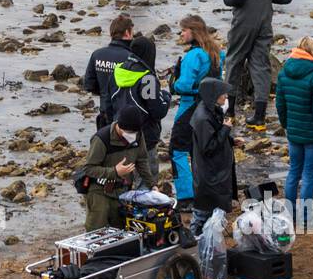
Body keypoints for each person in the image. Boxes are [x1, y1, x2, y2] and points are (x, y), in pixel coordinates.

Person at [222, 0, 293, 131]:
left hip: (244, 21)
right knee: (260, 65)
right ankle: (259, 116)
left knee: (234, 60)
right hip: (264, 20)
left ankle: (230, 112)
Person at [274, 35, 313, 221]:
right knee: (309, 175)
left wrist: (286, 125)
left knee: (293, 172)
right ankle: (306, 216)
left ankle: (289, 213)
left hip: (294, 132)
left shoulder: (284, 73)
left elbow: (280, 104)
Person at [168, 15, 223, 205]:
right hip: (210, 108)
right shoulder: (216, 53)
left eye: (184, 30)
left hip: (190, 106)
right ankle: (205, 191)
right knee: (200, 151)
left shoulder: (193, 55)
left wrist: (173, 82)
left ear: (194, 31)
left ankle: (186, 197)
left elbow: (183, 85)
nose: (181, 34)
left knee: (177, 150)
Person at [81, 106, 154, 230]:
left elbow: (142, 161)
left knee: (122, 229)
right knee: (96, 230)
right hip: (99, 191)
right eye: (129, 132)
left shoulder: (138, 135)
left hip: (122, 191)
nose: (132, 136)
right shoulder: (101, 139)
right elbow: (89, 169)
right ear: (119, 127)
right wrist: (115, 171)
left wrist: (152, 185)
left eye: (134, 132)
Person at [110, 35, 172, 181]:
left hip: (119, 134)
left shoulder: (118, 71)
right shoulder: (147, 78)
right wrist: (166, 97)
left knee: (123, 181)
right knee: (146, 182)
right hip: (144, 138)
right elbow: (158, 111)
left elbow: (108, 101)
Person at [189, 77, 237, 236]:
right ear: (213, 95)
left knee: (210, 213)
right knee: (202, 215)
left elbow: (213, 137)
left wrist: (231, 140)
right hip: (209, 176)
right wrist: (225, 129)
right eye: (223, 94)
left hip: (213, 174)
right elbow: (208, 147)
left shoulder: (210, 110)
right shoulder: (203, 118)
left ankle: (207, 241)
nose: (226, 97)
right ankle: (194, 243)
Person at [83, 14, 135, 129]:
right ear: (127, 33)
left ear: (111, 33)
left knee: (103, 145)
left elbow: (89, 85)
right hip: (125, 117)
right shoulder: (131, 58)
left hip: (104, 113)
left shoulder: (97, 54)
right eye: (133, 33)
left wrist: (104, 93)